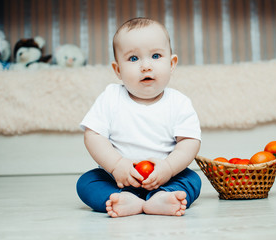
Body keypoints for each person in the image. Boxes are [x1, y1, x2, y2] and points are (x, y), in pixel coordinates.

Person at [76, 17, 202, 217]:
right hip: (118, 179)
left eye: (156, 56)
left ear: (172, 63)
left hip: (165, 176)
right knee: (87, 182)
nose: (146, 66)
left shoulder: (179, 102)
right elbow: (93, 136)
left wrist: (168, 168)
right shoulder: (110, 97)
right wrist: (117, 165)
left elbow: (189, 142)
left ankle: (162, 197)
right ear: (118, 70)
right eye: (133, 58)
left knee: (192, 179)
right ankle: (122, 199)